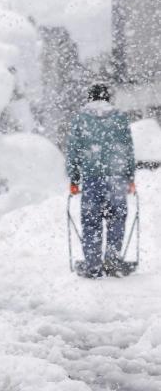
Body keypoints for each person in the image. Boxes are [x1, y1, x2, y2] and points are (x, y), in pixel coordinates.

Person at [66, 83, 137, 278]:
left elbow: (74, 150)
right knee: (116, 220)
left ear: (90, 98)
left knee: (91, 222)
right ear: (107, 98)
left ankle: (93, 265)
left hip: (91, 179)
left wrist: (74, 178)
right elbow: (127, 150)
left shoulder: (80, 119)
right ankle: (113, 262)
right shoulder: (120, 118)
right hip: (116, 178)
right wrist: (130, 177)